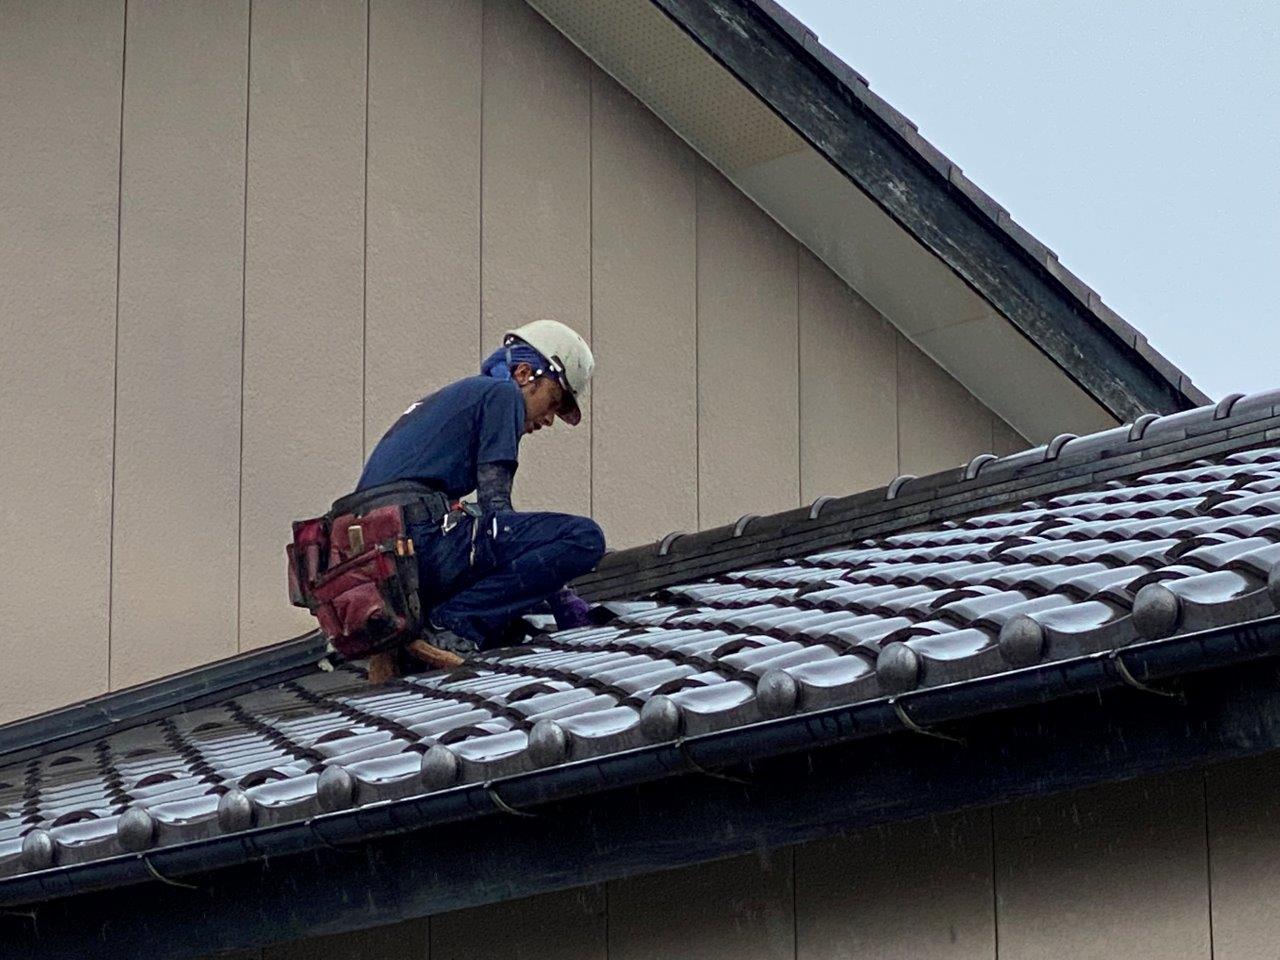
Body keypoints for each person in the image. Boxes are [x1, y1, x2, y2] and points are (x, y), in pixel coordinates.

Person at [353, 320, 605, 678]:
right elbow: (496, 511)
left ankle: (440, 629)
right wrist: (557, 588)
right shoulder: (501, 396)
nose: (549, 419)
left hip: (385, 555)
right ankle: (453, 625)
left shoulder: (459, 398)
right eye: (553, 400)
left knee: (508, 587)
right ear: (523, 373)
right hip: (412, 541)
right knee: (583, 538)